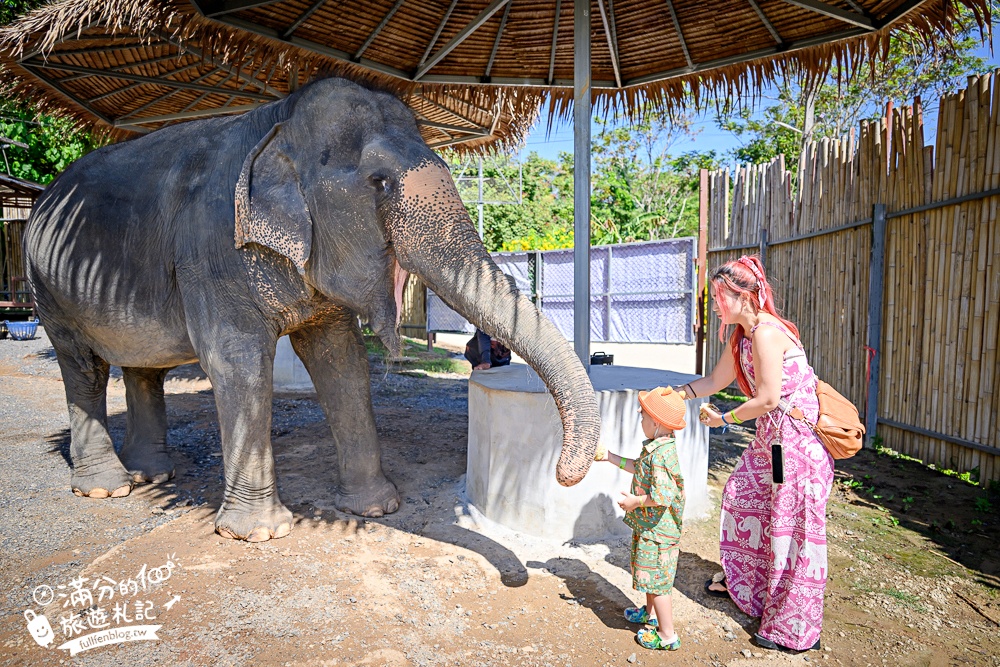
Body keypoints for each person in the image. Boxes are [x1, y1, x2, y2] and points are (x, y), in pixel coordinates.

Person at [677, 255, 832, 653]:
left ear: (742, 296)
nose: (713, 305)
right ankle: (752, 588)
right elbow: (715, 380)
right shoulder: (742, 336)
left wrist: (724, 419)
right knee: (743, 497)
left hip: (796, 445)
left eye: (718, 296)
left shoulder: (765, 333)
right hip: (772, 443)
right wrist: (676, 394)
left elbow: (767, 399)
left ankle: (793, 631)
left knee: (793, 531)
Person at [595, 386, 686, 651]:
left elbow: (662, 495)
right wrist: (609, 457)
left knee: (658, 582)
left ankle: (668, 635)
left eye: (643, 415)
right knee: (649, 575)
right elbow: (638, 467)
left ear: (657, 423)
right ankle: (651, 614)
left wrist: (635, 503)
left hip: (659, 532)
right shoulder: (658, 447)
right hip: (650, 528)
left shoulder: (661, 456)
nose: (640, 417)